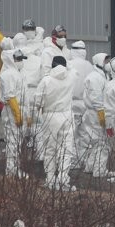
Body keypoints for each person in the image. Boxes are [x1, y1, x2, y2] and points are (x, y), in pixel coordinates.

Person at [33, 56, 77, 191]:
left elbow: (37, 101)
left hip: (50, 115)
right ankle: (63, 179)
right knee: (66, 149)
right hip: (67, 115)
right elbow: (72, 68)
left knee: (50, 149)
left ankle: (50, 179)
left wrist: (37, 117)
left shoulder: (46, 80)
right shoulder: (71, 77)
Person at [0, 49, 28, 178]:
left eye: (21, 59)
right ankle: (11, 170)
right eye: (18, 59)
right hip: (12, 110)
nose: (20, 62)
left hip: (19, 109)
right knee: (13, 140)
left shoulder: (16, 73)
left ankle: (14, 168)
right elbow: (10, 96)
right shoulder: (9, 74)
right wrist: (17, 113)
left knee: (17, 141)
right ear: (11, 59)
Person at [80, 53, 110, 177]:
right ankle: (99, 170)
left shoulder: (102, 76)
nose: (108, 64)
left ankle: (90, 166)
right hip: (96, 113)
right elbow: (96, 98)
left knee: (96, 142)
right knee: (101, 142)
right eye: (106, 61)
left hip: (96, 112)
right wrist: (102, 116)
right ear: (99, 62)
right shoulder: (95, 78)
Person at [68, 41, 94, 156]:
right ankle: (83, 157)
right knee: (84, 132)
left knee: (71, 133)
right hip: (85, 104)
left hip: (71, 102)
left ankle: (72, 159)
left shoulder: (69, 64)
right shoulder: (90, 66)